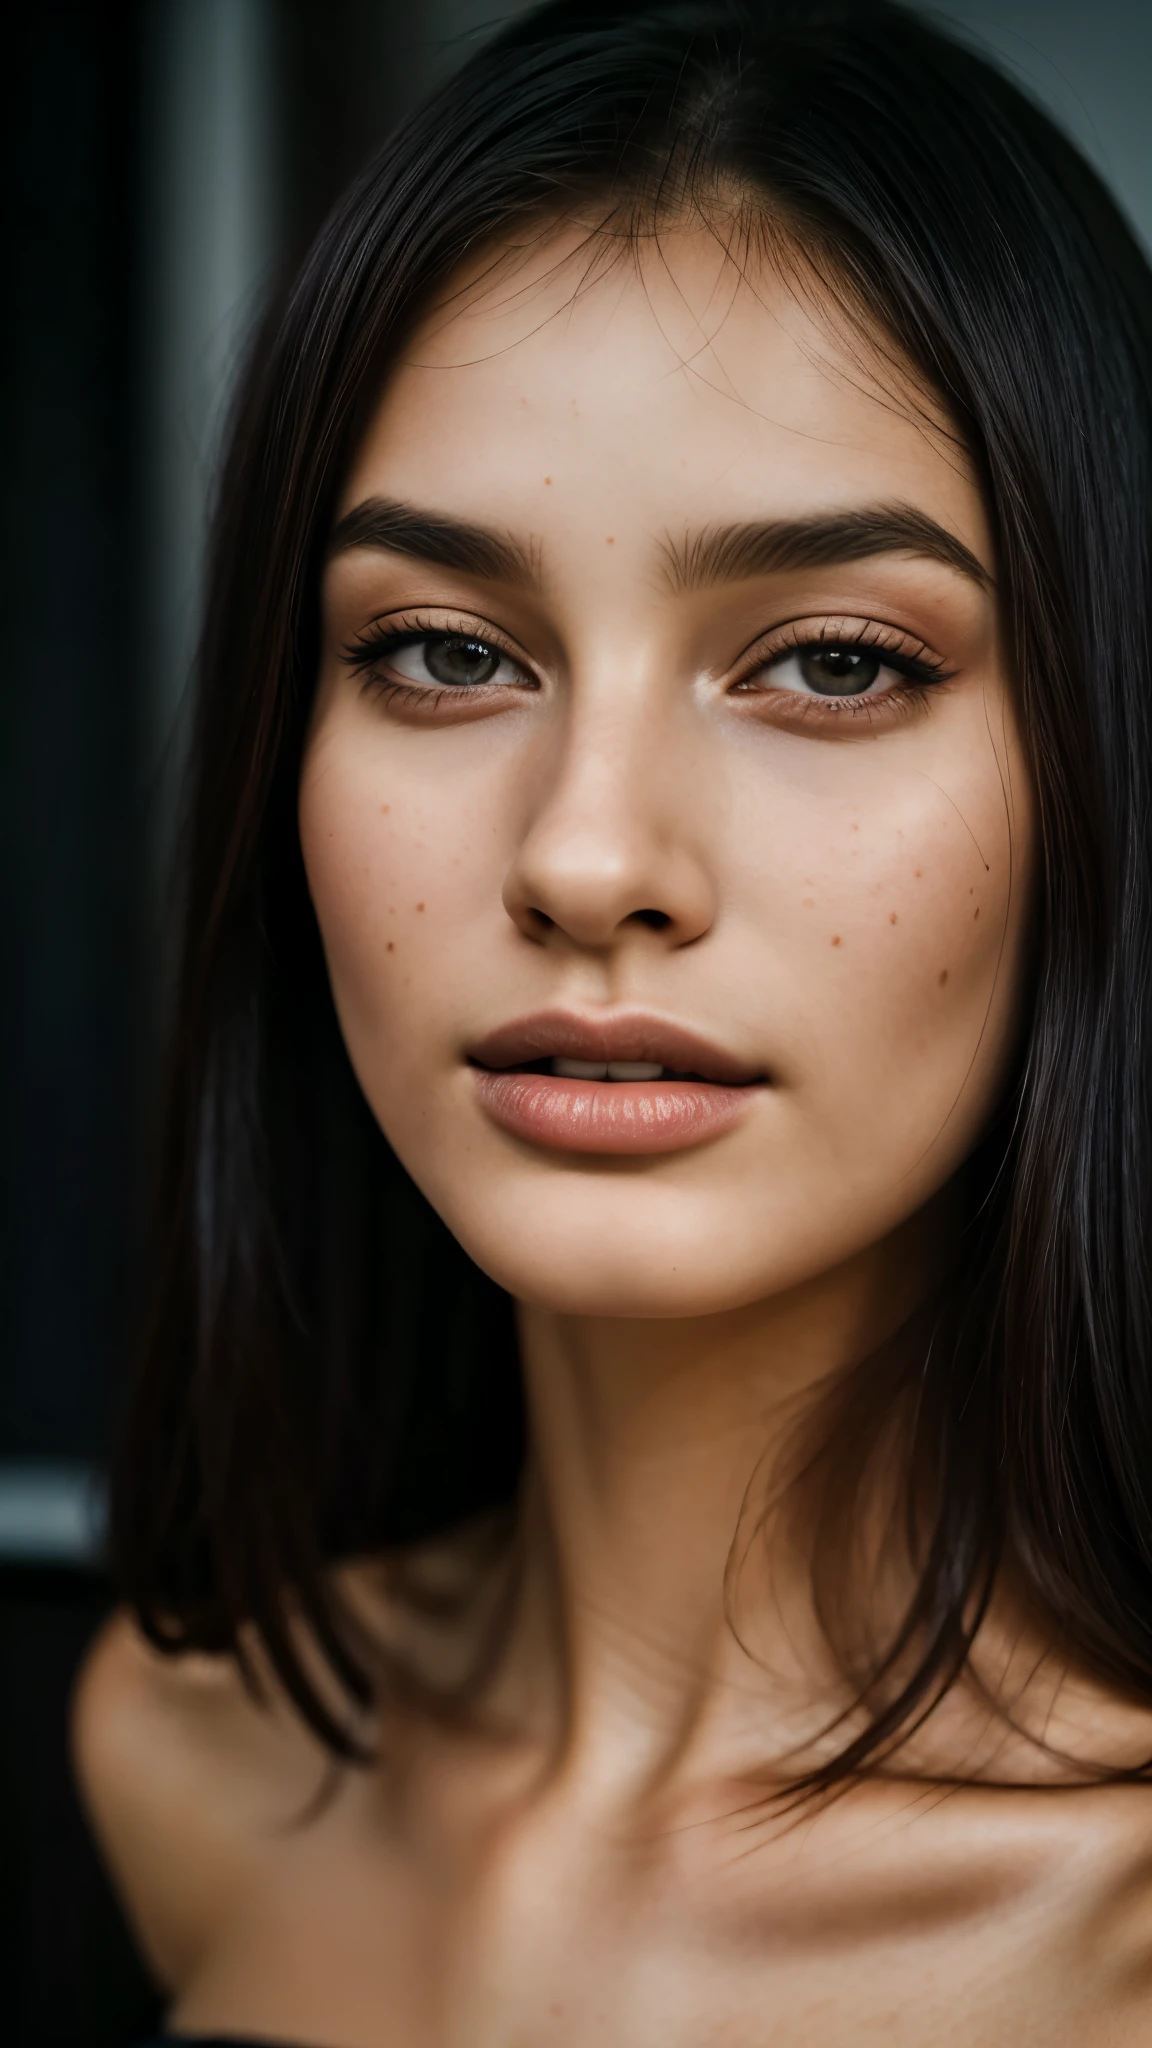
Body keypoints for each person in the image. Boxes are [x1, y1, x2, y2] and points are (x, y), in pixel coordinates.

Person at [72, 0, 1152, 2040]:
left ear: (1103, 767)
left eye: (833, 663)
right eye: (446, 649)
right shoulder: (188, 1754)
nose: (584, 855)